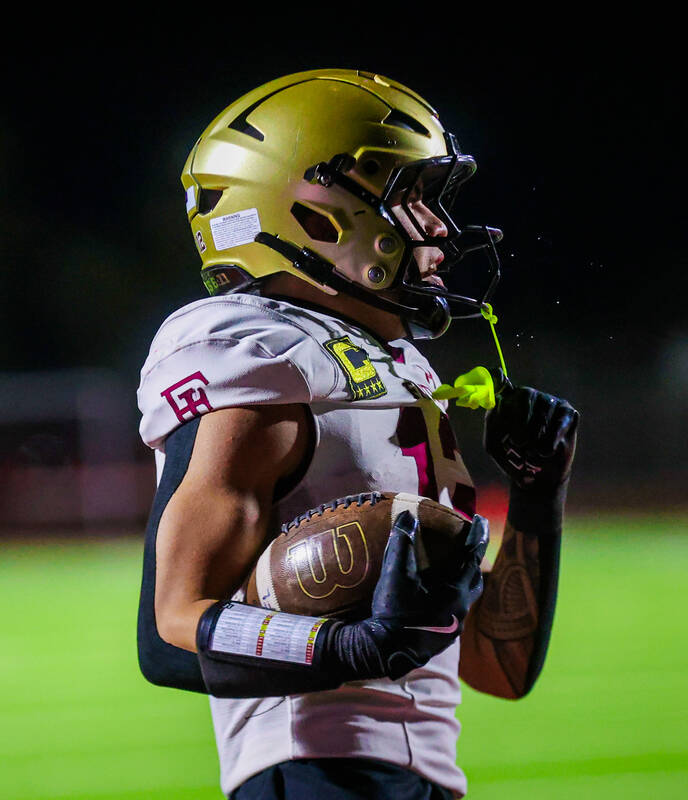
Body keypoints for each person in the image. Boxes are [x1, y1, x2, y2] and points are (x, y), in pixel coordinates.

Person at [136, 69, 579, 799]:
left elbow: (497, 666)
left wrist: (536, 497)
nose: (438, 226)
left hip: (425, 775)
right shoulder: (256, 352)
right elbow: (171, 629)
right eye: (411, 198)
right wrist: (350, 646)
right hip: (311, 771)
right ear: (315, 214)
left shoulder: (400, 369)